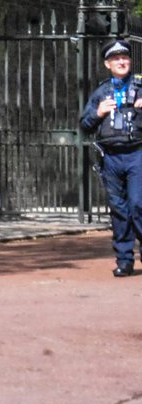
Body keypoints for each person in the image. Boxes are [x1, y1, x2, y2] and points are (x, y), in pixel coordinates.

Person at [80, 39, 142, 277]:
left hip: (137, 153)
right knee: (119, 210)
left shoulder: (140, 86)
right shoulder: (101, 92)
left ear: (130, 61)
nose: (121, 62)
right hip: (112, 157)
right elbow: (85, 125)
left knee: (138, 205)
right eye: (116, 59)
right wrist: (98, 113)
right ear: (108, 64)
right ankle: (125, 260)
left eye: (124, 58)